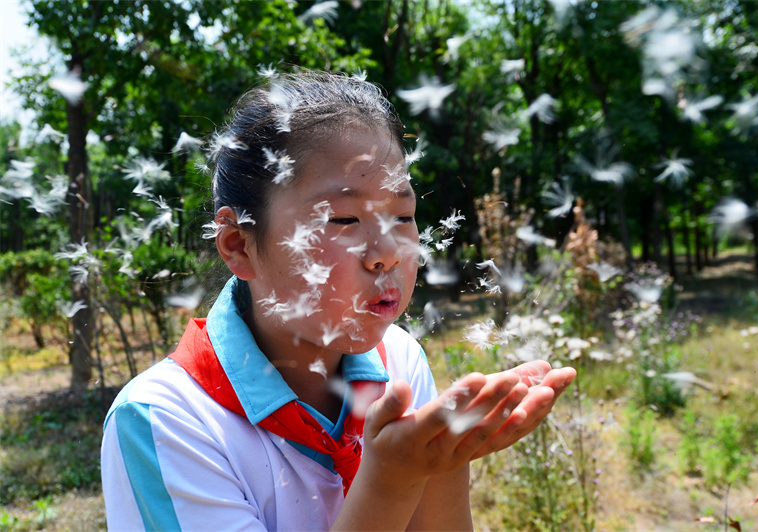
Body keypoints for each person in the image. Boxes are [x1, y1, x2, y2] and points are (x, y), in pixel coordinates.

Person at [101, 70, 576, 531]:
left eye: (404, 214)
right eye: (344, 219)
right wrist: (391, 482)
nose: (389, 252)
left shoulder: (399, 363)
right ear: (239, 245)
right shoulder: (168, 420)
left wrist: (445, 461)